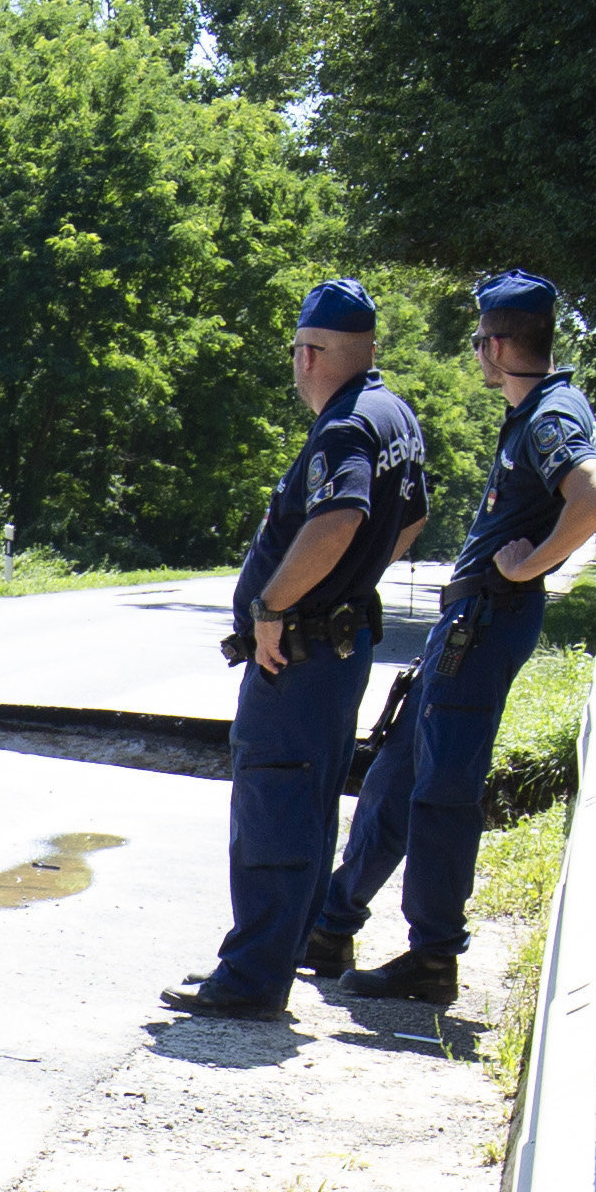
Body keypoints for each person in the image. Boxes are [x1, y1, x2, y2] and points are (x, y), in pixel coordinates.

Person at [313, 271, 596, 1005]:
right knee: (395, 777)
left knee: (442, 792)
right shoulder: (533, 413)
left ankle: (431, 958)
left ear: (500, 342)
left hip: (485, 622)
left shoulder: (550, 414)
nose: (477, 351)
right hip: (465, 625)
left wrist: (532, 563)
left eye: (480, 339)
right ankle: (329, 924)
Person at [174, 281, 427, 1023]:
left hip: (301, 653)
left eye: (297, 352)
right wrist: (349, 583)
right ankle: (277, 957)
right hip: (340, 646)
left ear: (310, 352)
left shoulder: (345, 428)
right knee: (309, 810)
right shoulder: (394, 415)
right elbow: (409, 518)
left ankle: (251, 980)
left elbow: (341, 516)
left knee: (274, 809)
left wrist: (276, 607)